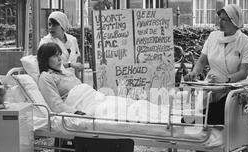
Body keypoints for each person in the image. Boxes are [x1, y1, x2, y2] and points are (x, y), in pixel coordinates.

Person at [184, 4, 248, 152]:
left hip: (230, 92)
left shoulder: (246, 42)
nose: (221, 23)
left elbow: (243, 72)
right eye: (220, 19)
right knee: (202, 133)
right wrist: (194, 73)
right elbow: (202, 61)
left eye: (225, 20)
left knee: (225, 137)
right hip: (211, 89)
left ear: (235, 22)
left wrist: (226, 80)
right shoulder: (213, 37)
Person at [37, 43, 171, 123]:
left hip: (95, 97)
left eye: (60, 54)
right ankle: (166, 121)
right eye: (55, 56)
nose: (60, 58)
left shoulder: (63, 71)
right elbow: (56, 105)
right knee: (121, 111)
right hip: (83, 105)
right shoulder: (46, 78)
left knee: (131, 103)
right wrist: (77, 112)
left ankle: (170, 117)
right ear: (45, 59)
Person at [39, 11, 83, 78]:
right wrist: (70, 64)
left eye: (55, 25)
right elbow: (47, 64)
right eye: (49, 24)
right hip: (55, 79)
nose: (51, 27)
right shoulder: (45, 42)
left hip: (72, 80)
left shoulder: (72, 40)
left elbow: (76, 64)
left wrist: (79, 82)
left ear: (63, 25)